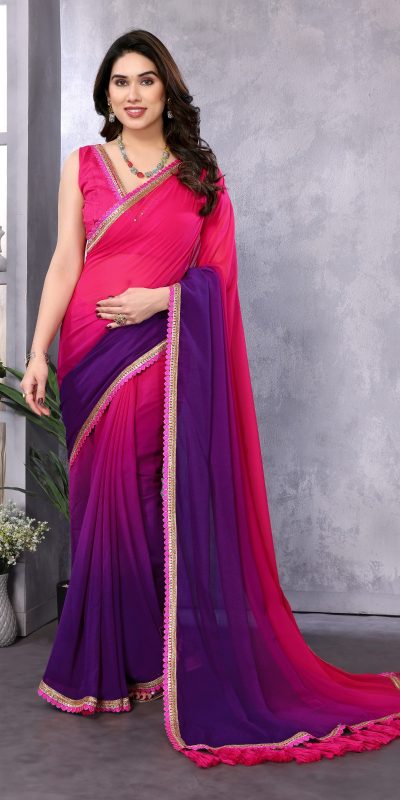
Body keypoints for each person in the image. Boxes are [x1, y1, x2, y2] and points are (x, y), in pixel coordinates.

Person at [21, 29, 400, 768]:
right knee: (98, 502)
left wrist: (161, 299)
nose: (132, 94)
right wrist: (37, 351)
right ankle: (114, 663)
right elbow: (66, 260)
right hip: (88, 356)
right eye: (120, 82)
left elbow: (217, 279)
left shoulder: (200, 175)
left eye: (146, 80)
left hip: (156, 353)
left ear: (168, 89)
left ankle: (137, 660)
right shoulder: (84, 165)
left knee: (144, 501)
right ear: (106, 94)